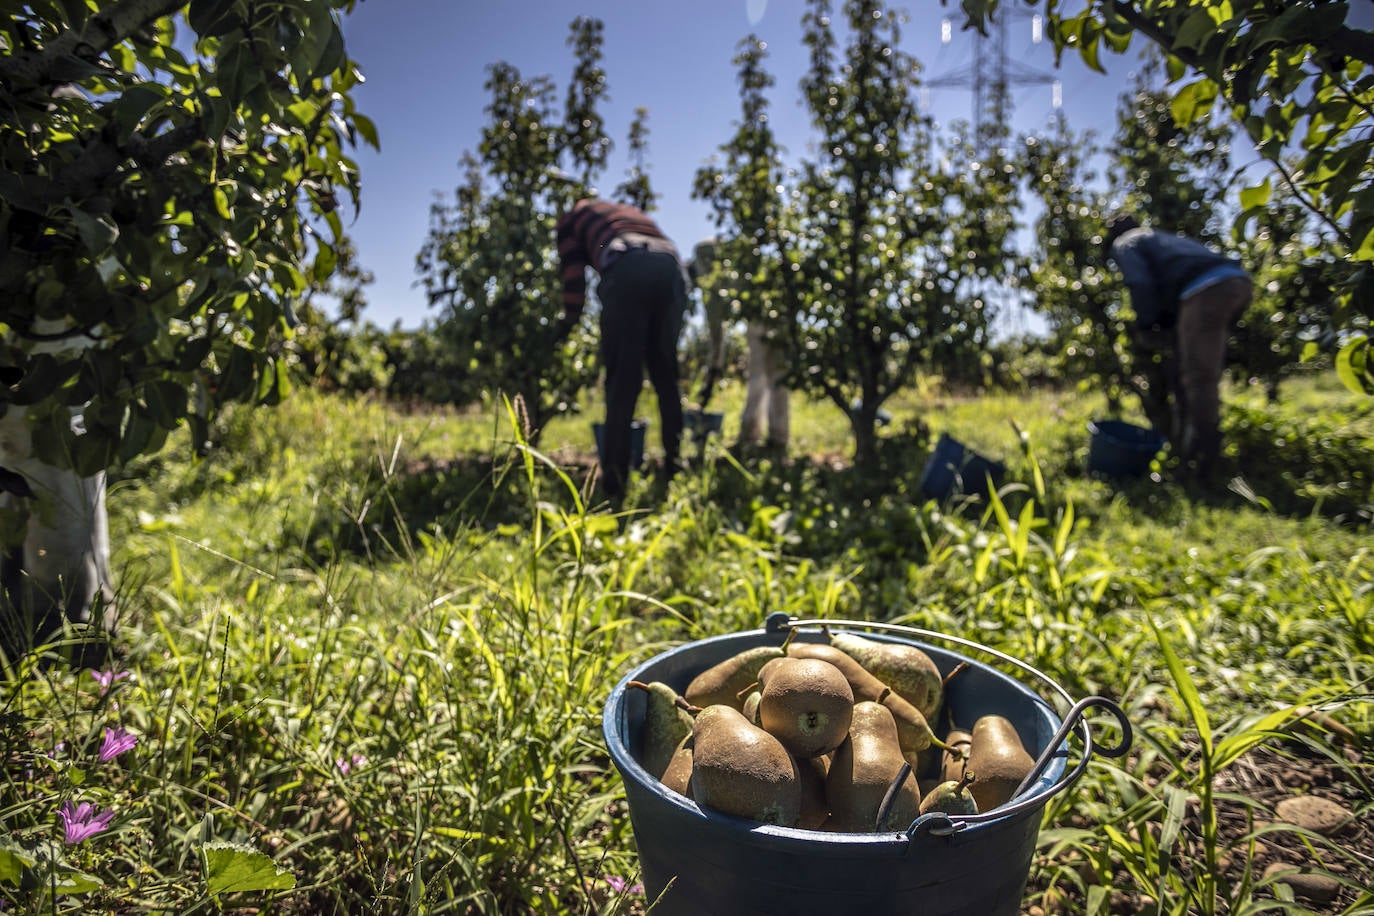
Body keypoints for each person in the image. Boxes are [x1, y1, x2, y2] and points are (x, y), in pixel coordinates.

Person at [556, 197, 688, 501]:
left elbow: (573, 274)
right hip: (670, 264)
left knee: (622, 381)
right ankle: (674, 467)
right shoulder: (626, 212)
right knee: (666, 374)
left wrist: (569, 319)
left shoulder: (570, 220)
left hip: (627, 263)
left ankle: (614, 484)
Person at [1104, 214, 1253, 477]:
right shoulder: (1158, 236)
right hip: (1235, 282)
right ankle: (1193, 452)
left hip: (1206, 289)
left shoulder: (1126, 243)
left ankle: (1201, 466)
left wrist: (1147, 324)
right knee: (1195, 371)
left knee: (1197, 379)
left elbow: (1139, 282)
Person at [689, 237, 790, 451]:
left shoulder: (704, 264)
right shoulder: (711, 251)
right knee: (771, 372)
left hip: (763, 305)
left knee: (763, 372)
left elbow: (717, 331)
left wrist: (713, 372)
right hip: (775, 298)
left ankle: (755, 437)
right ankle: (771, 436)